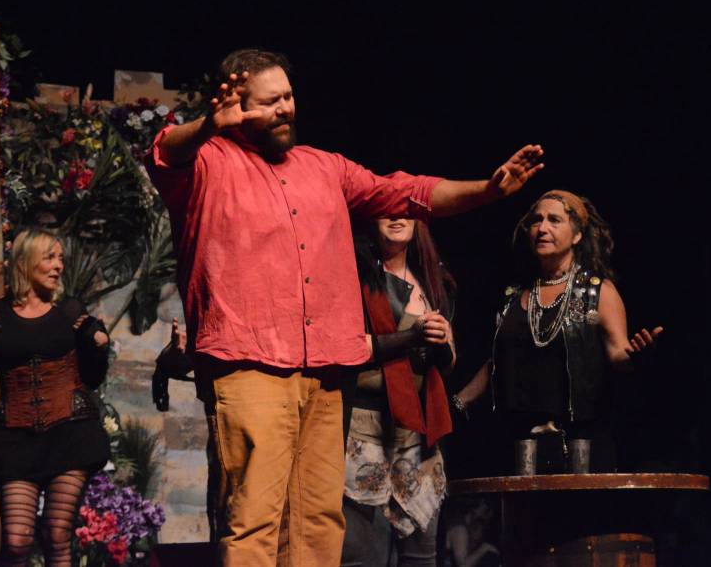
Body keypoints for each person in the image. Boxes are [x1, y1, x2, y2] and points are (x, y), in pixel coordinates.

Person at [145, 47, 544, 566]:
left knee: (317, 523)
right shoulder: (207, 164)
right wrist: (206, 127)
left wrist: (487, 190)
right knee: (254, 520)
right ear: (237, 107)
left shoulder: (323, 167)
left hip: (327, 371)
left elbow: (407, 193)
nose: (286, 108)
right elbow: (164, 152)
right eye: (270, 101)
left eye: (289, 96)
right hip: (250, 363)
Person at [451, 190, 662, 471]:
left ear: (576, 236)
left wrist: (637, 356)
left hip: (580, 447)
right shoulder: (514, 296)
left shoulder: (597, 293)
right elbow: (497, 362)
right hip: (520, 446)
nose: (543, 228)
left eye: (555, 220)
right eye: (537, 220)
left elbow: (617, 353)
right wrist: (457, 402)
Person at [0, 228, 111, 567]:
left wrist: (99, 348)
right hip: (16, 438)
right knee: (16, 542)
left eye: (60, 258)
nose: (58, 265)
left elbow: (92, 377)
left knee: (57, 534)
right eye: (49, 257)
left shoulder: (70, 312)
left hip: (71, 434)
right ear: (26, 262)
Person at [341, 218, 456, 567]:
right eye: (385, 209)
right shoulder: (353, 276)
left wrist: (441, 344)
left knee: (421, 556)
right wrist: (412, 336)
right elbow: (345, 348)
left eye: (405, 210)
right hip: (361, 431)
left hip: (417, 436)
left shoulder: (436, 283)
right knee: (358, 555)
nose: (396, 217)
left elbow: (447, 364)